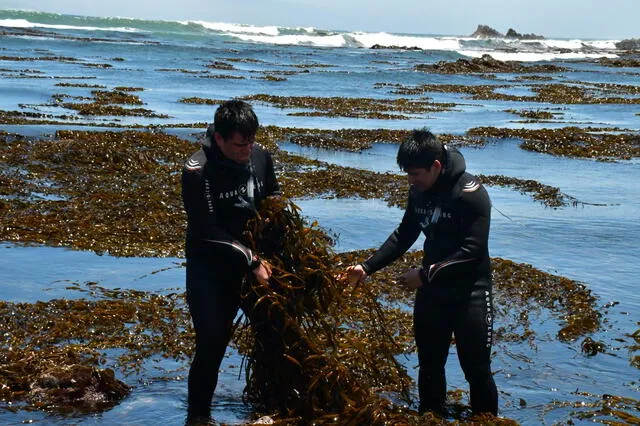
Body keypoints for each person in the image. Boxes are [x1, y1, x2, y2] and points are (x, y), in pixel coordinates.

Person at [342, 128, 498, 416]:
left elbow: (471, 252)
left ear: (436, 166)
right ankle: (431, 417)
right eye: (408, 174)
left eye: (415, 174)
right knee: (429, 365)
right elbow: (405, 234)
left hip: (471, 294)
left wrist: (425, 275)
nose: (411, 181)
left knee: (476, 371)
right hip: (433, 296)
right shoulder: (419, 191)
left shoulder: (470, 195)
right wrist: (367, 267)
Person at [181, 99, 280, 423]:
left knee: (274, 334)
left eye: (251, 141)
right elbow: (206, 229)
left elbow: (273, 206)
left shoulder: (261, 157)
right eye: (240, 144)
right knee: (212, 343)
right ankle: (198, 417)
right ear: (220, 139)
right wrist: (250, 260)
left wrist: (276, 254)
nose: (247, 149)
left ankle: (269, 407)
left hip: (256, 267)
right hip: (211, 268)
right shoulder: (197, 170)